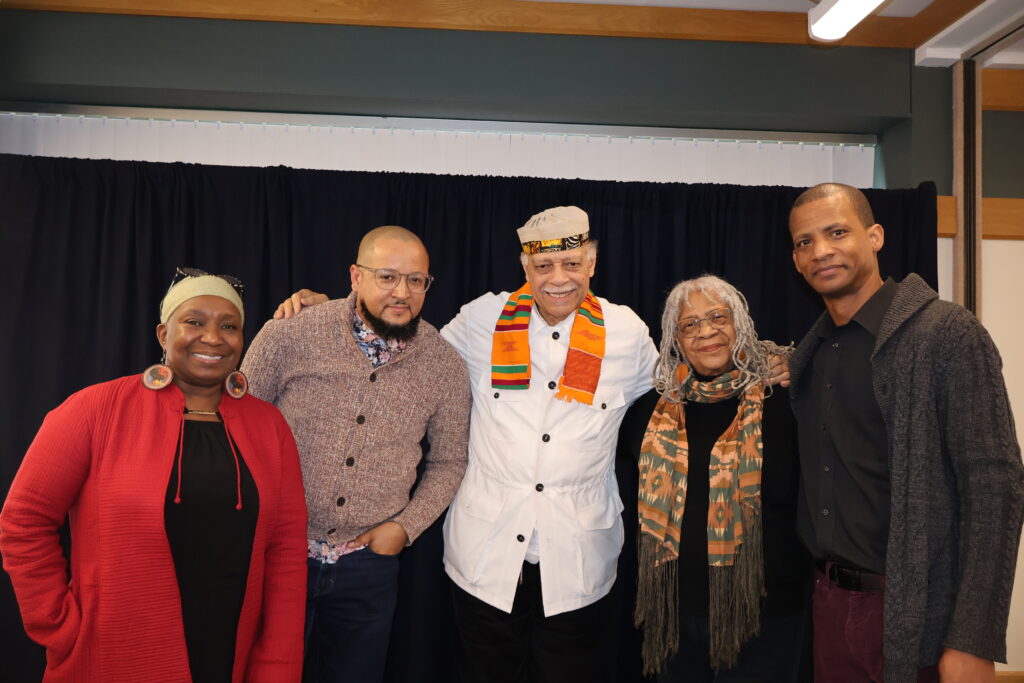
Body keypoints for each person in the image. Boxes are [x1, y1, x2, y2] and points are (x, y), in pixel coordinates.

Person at [0, 268, 308, 682]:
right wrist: (59, 625)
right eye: (194, 322)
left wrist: (279, 661)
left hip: (230, 655)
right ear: (164, 335)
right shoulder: (93, 410)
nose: (213, 338)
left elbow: (286, 550)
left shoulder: (269, 426)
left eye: (229, 326)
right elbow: (25, 520)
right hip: (112, 655)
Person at [787, 183, 1024, 683]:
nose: (820, 250)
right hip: (829, 606)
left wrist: (973, 637)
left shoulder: (947, 334)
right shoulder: (813, 353)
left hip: (918, 617)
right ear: (795, 259)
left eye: (836, 232)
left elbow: (995, 487)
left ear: (874, 236)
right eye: (804, 241)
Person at [244, 225, 470, 683]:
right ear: (355, 276)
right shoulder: (290, 333)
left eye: (416, 280)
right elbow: (240, 427)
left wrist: (405, 528)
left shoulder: (444, 364)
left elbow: (450, 461)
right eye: (387, 276)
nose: (401, 292)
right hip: (277, 554)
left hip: (368, 567)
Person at [622, 275, 809, 682]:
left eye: (718, 317)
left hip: (767, 615)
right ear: (674, 337)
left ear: (739, 323)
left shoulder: (785, 403)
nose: (706, 331)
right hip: (673, 618)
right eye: (689, 324)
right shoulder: (647, 413)